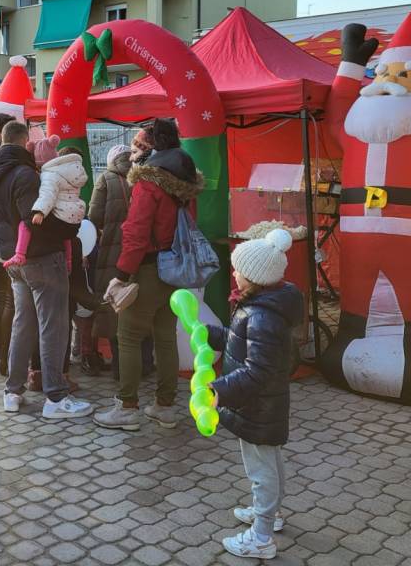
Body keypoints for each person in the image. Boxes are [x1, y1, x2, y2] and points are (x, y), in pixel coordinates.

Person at [0, 121, 94, 420]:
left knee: (23, 324)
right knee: (52, 326)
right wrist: (71, 228)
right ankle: (55, 396)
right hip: (42, 258)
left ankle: (13, 391)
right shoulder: (25, 175)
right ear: (24, 140)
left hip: (12, 261)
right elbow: (35, 220)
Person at [94, 118, 203, 431]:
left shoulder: (148, 183)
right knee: (165, 337)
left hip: (146, 268)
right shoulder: (186, 185)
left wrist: (122, 274)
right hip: (174, 270)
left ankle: (127, 408)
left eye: (142, 144)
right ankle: (165, 407)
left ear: (153, 149)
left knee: (128, 335)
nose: (136, 150)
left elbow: (136, 233)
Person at [211, 229, 302, 560]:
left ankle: (261, 537)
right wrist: (213, 335)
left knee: (261, 471)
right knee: (270, 462)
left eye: (238, 269)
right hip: (263, 406)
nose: (234, 272)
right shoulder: (261, 305)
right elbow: (240, 340)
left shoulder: (262, 315)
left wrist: (217, 392)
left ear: (253, 277)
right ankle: (271, 514)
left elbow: (257, 372)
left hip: (258, 408)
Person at [3, 139, 87, 270]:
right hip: (73, 216)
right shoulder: (76, 174)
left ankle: (19, 254)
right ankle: (69, 261)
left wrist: (40, 211)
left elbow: (48, 194)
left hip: (55, 213)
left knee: (25, 223)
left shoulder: (51, 174)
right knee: (67, 237)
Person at [86, 144, 132, 376]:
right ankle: (138, 364)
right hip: (134, 252)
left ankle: (117, 366)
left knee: (112, 303)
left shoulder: (104, 179)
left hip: (109, 252)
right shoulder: (137, 179)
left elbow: (94, 216)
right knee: (132, 305)